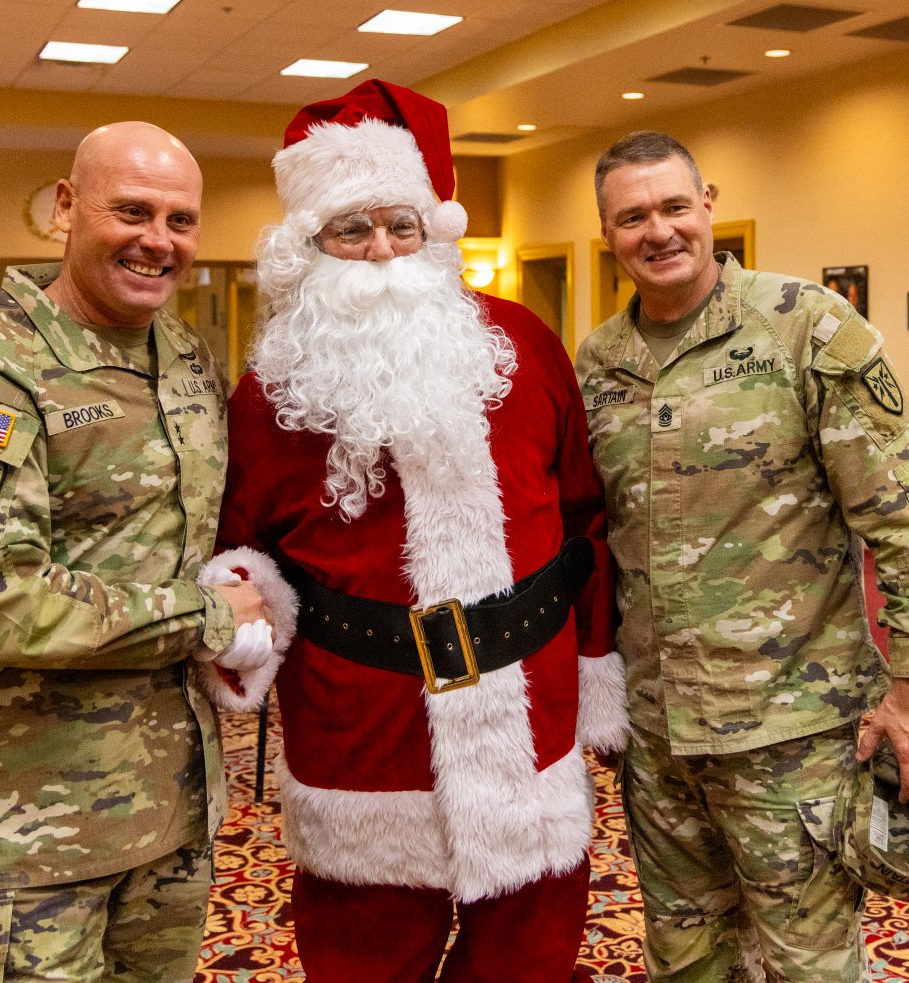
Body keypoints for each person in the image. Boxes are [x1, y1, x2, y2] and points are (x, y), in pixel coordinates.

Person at [213, 79, 628, 983]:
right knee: (362, 961)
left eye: (401, 225)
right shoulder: (269, 392)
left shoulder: (523, 345)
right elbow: (237, 546)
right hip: (360, 736)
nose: (380, 251)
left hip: (530, 724)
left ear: (436, 233)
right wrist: (240, 612)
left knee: (530, 959)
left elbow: (586, 521)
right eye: (350, 230)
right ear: (307, 249)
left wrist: (594, 665)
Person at [0, 120, 281, 983]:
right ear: (66, 207)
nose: (157, 241)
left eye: (181, 220)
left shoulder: (183, 356)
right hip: (25, 831)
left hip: (170, 809)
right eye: (131, 211)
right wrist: (208, 616)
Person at [577, 130, 909, 981]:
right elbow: (594, 538)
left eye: (675, 207)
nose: (659, 231)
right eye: (633, 216)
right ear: (607, 232)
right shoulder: (599, 363)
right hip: (660, 736)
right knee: (684, 960)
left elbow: (908, 519)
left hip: (792, 733)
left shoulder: (808, 328)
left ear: (708, 205)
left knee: (811, 967)